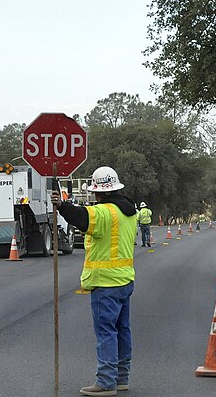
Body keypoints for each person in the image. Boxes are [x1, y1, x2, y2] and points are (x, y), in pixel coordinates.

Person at [51, 166, 137, 397]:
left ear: (97, 192)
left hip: (105, 284)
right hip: (124, 281)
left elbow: (82, 217)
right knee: (122, 329)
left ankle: (106, 381)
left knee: (106, 332)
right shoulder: (129, 212)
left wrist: (62, 206)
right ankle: (121, 377)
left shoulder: (104, 212)